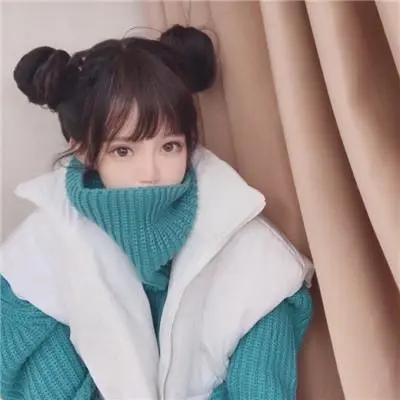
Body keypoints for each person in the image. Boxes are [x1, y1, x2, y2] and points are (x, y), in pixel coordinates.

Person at [0, 25, 314, 400]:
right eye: (123, 151)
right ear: (83, 150)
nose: (150, 173)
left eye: (169, 146)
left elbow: (261, 390)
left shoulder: (254, 257)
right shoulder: (37, 258)